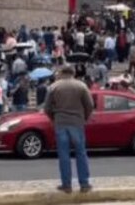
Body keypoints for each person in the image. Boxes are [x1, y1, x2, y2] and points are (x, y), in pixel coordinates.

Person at [43, 66, 94, 194]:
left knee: (63, 155)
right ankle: (84, 183)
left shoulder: (54, 87)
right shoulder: (81, 86)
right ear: (74, 73)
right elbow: (90, 105)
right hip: (77, 122)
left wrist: (54, 118)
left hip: (61, 123)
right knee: (81, 153)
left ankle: (66, 185)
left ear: (61, 73)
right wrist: (84, 117)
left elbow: (47, 108)